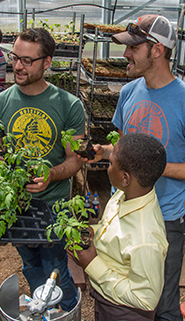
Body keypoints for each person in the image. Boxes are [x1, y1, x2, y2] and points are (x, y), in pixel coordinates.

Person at [83, 14, 185, 320]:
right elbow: (126, 151)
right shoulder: (129, 93)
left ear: (156, 50)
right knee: (119, 286)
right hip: (120, 209)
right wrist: (105, 153)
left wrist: (152, 167)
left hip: (163, 219)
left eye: (133, 47)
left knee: (163, 303)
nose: (126, 54)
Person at [0, 27, 86, 312]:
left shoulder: (69, 106)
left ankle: (65, 311)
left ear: (47, 62)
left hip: (52, 206)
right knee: (30, 263)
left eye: (27, 60)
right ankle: (43, 309)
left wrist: (50, 175)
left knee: (56, 266)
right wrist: (2, 168)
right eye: (15, 57)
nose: (17, 65)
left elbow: (75, 159)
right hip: (14, 207)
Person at [70, 133, 168, 320]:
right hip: (108, 296)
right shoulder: (127, 194)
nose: (107, 168)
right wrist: (94, 231)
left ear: (125, 178)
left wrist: (92, 264)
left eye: (110, 163)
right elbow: (113, 228)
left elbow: (145, 299)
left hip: (123, 310)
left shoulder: (146, 240)